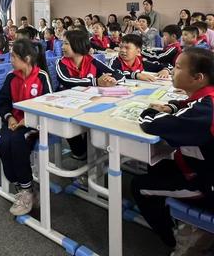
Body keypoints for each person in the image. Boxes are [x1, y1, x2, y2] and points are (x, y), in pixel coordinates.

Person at [132, 48, 214, 253]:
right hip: (200, 165)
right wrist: (174, 107)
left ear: (197, 78)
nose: (172, 70)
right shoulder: (207, 100)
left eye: (177, 67)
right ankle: (174, 216)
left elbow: (151, 123)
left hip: (207, 184)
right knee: (157, 166)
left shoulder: (205, 111)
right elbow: (189, 107)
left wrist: (150, 111)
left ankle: (171, 238)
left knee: (137, 185)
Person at [0, 39, 52, 216]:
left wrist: (27, 120)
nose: (10, 59)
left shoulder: (42, 76)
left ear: (26, 58)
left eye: (13, 56)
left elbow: (48, 104)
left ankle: (26, 192)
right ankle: (23, 186)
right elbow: (2, 101)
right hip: (14, 122)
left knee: (18, 143)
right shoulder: (11, 77)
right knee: (4, 145)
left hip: (34, 124)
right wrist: (10, 117)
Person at [56, 30, 124, 159]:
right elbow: (66, 80)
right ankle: (80, 153)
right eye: (63, 43)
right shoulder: (61, 63)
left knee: (98, 118)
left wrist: (112, 80)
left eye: (66, 44)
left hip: (89, 101)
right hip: (67, 104)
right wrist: (95, 81)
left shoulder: (91, 61)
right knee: (70, 128)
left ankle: (93, 149)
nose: (62, 47)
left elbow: (116, 73)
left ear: (78, 45)